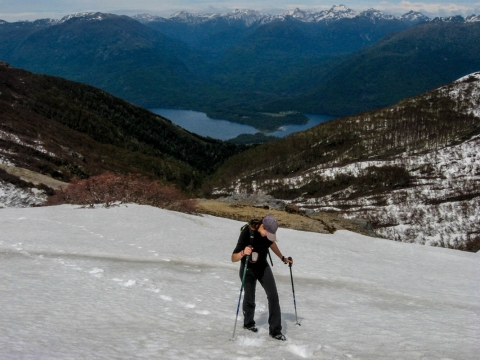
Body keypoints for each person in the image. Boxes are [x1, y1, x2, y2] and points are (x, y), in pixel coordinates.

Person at [231, 214, 293, 341]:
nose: (267, 236)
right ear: (262, 226)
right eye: (267, 233)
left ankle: (275, 331)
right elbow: (233, 258)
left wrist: (283, 258)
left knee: (273, 296)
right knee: (249, 297)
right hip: (247, 268)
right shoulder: (247, 233)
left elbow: (271, 244)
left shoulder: (267, 236)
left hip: (263, 267)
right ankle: (248, 323)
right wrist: (243, 253)